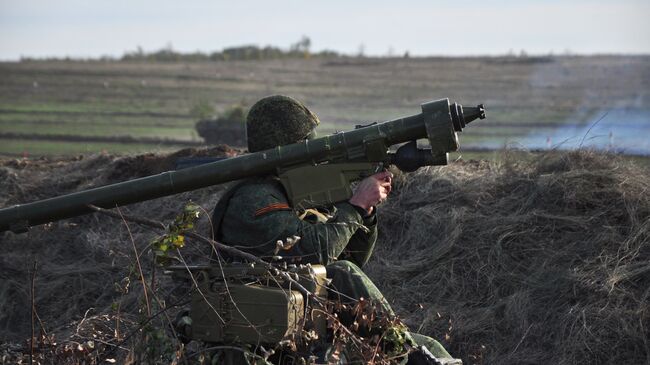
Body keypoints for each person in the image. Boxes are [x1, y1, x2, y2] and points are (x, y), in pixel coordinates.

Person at [211, 95, 460, 365]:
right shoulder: (255, 199)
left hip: (313, 314)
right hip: (271, 320)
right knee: (344, 274)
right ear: (285, 148)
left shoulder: (288, 191)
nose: (313, 154)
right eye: (305, 144)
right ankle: (406, 356)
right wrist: (355, 205)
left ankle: (409, 354)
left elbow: (349, 255)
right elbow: (315, 254)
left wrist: (364, 212)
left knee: (431, 346)